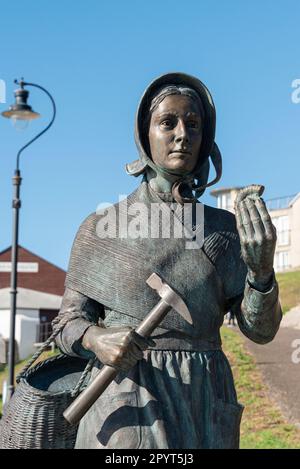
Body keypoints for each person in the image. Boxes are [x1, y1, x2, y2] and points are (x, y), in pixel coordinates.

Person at [53, 73, 282, 449]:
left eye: (193, 125)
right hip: (127, 396)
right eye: (168, 123)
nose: (182, 134)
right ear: (146, 135)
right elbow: (66, 324)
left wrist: (260, 273)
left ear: (205, 139)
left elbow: (262, 331)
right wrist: (96, 338)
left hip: (204, 400)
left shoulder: (225, 231)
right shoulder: (103, 226)